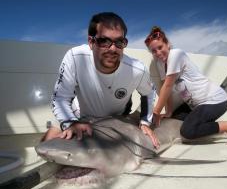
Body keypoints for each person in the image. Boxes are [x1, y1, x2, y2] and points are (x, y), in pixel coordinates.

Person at [43, 12, 160, 148]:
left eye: (119, 42)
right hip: (78, 115)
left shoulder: (137, 69)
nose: (112, 48)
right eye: (104, 41)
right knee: (48, 145)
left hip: (115, 118)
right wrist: (71, 123)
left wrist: (145, 122)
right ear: (91, 42)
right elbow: (60, 98)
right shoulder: (75, 58)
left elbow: (149, 92)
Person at [144, 26, 227, 145]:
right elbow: (166, 90)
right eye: (154, 51)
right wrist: (168, 112)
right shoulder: (160, 63)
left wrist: (156, 112)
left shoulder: (176, 54)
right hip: (195, 104)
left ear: (167, 44)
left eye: (160, 47)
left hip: (215, 101)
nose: (158, 53)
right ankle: (206, 125)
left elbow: (168, 86)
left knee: (187, 131)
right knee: (171, 118)